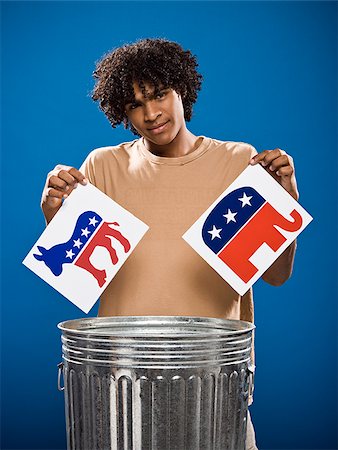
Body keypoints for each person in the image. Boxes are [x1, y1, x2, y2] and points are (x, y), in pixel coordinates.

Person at [41, 38, 299, 450]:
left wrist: (285, 205)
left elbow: (276, 274)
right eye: (134, 104)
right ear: (121, 113)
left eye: (160, 94)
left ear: (182, 89)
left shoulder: (238, 161)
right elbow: (77, 278)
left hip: (212, 382)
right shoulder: (104, 165)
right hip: (121, 386)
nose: (151, 113)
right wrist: (54, 217)